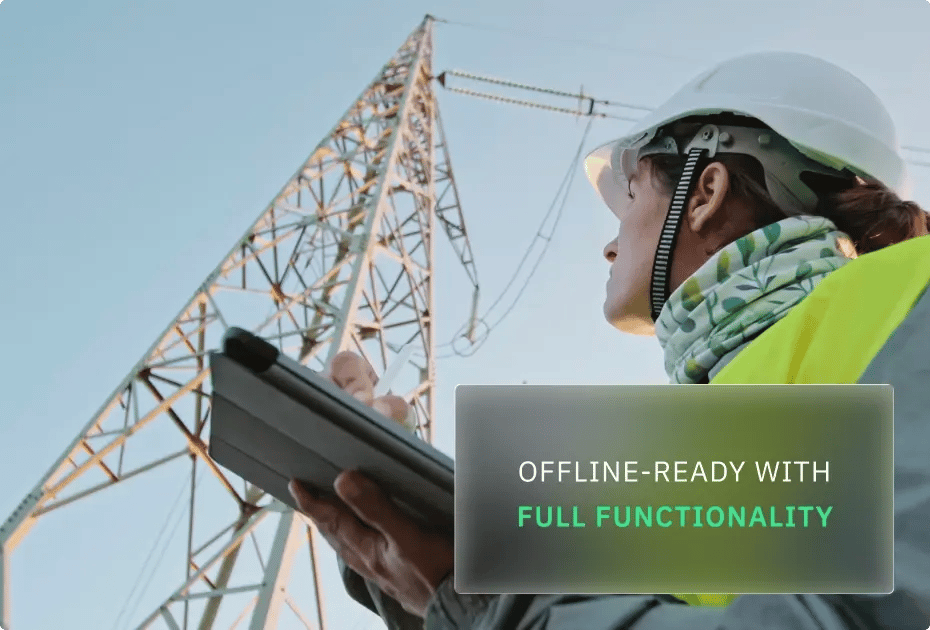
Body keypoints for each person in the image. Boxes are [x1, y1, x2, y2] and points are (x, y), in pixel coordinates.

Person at [287, 51, 930, 629]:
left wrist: (490, 607)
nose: (611, 243)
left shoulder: (916, 298)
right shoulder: (693, 439)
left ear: (704, 192)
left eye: (629, 197)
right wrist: (401, 531)